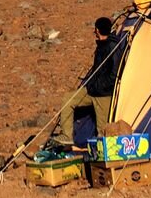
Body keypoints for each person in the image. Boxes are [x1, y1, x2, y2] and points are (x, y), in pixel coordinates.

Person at [53, 16, 125, 144]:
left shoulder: (113, 47)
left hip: (104, 94)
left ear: (97, 30)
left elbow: (114, 74)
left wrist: (101, 87)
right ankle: (67, 136)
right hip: (92, 90)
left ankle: (103, 159)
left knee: (102, 132)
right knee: (68, 100)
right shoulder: (102, 46)